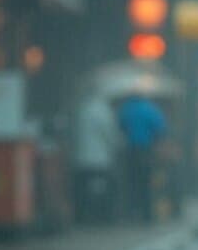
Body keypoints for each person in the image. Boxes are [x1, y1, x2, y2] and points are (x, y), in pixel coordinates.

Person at [117, 92, 168, 222]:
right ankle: (147, 214)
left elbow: (121, 126)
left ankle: (132, 212)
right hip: (146, 150)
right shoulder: (151, 109)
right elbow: (161, 128)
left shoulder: (127, 109)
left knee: (132, 182)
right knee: (146, 182)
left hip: (131, 150)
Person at [72, 92, 119, 224]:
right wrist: (114, 148)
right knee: (105, 189)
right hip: (101, 158)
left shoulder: (82, 110)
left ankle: (83, 216)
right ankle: (103, 216)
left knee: (84, 190)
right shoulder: (104, 112)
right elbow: (109, 134)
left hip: (82, 158)